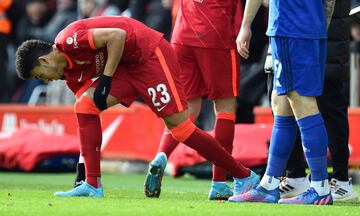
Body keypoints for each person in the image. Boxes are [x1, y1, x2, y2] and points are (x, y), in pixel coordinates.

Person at [15, 16, 259, 198]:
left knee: (181, 129)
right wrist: (80, 170)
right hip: (126, 68)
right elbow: (86, 122)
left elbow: (117, 36)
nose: (46, 80)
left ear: (44, 60)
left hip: (149, 54)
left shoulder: (69, 40)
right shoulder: (70, 75)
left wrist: (107, 78)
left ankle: (244, 175)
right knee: (85, 107)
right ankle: (91, 183)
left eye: (41, 75)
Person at [144, 0, 260, 200]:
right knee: (225, 107)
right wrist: (245, 27)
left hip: (182, 34)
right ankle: (219, 183)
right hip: (216, 33)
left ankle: (161, 156)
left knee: (187, 109)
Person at [229, 0, 335, 205]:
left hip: (290, 27)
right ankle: (269, 185)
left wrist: (245, 26)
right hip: (308, 28)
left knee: (302, 102)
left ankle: (320, 188)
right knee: (282, 104)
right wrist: (318, 25)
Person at [277, 0, 358, 202]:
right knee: (300, 106)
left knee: (328, 110)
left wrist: (318, 30)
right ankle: (299, 176)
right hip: (313, 36)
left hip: (323, 39)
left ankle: (339, 180)